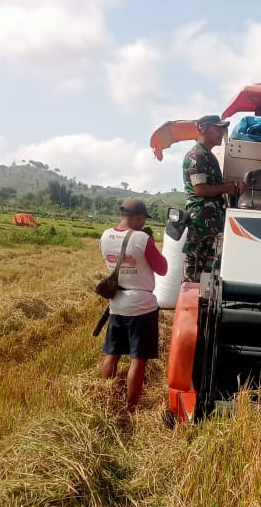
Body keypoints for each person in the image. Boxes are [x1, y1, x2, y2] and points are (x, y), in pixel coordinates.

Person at [99, 197, 168, 411]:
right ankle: (131, 407)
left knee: (113, 354)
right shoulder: (141, 239)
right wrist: (151, 243)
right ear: (138, 217)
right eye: (143, 219)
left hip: (117, 304)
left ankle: (105, 398)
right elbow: (163, 268)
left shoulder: (105, 236)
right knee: (138, 360)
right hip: (142, 307)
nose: (143, 222)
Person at [181, 114, 244, 282]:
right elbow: (200, 189)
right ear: (204, 129)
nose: (222, 132)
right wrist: (227, 188)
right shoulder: (196, 156)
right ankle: (188, 306)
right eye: (219, 128)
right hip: (201, 223)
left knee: (210, 272)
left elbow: (215, 185)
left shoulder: (210, 156)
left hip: (214, 222)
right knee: (193, 272)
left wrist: (233, 187)